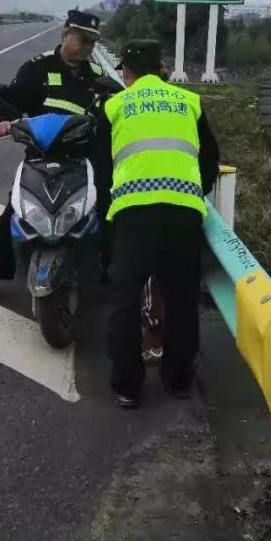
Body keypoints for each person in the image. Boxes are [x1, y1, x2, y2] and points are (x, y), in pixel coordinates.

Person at [97, 39, 220, 408]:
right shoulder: (189, 102)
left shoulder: (115, 105)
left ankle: (127, 386)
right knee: (182, 299)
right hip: (182, 211)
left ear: (127, 74)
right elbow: (210, 160)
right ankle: (178, 380)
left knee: (124, 299)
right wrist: (191, 192)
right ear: (163, 68)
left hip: (133, 213)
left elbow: (101, 169)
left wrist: (108, 219)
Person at [0, 9, 112, 305]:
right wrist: (4, 120)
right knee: (15, 213)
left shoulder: (98, 76)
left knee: (107, 209)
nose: (88, 46)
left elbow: (115, 108)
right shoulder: (36, 69)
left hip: (85, 157)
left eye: (92, 42)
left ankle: (108, 275)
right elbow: (11, 99)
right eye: (82, 39)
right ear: (64, 35)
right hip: (42, 154)